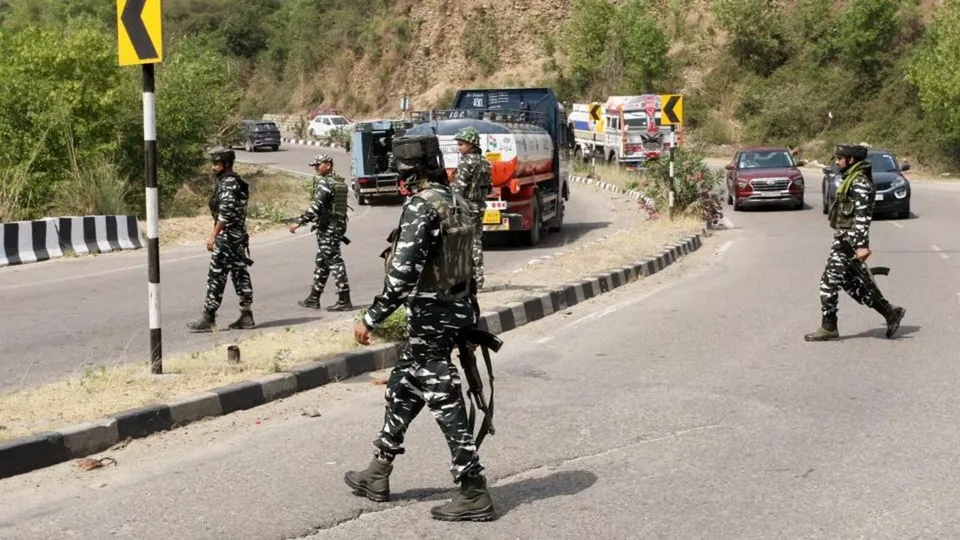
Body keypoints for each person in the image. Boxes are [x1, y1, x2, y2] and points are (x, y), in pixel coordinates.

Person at [345, 134, 496, 522]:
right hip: (457, 309)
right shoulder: (456, 201)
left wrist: (371, 318)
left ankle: (473, 487)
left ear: (408, 175)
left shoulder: (421, 207)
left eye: (400, 175)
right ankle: (378, 470)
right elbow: (468, 266)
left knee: (441, 395)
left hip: (431, 317)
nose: (400, 183)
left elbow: (402, 274)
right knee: (403, 387)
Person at [805, 144, 905, 342]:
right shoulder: (852, 179)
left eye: (840, 158)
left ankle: (829, 327)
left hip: (849, 243)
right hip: (844, 240)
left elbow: (862, 217)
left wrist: (861, 246)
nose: (837, 161)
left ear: (850, 160)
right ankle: (889, 312)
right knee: (850, 283)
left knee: (827, 283)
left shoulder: (859, 182)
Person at [187, 148, 255, 332]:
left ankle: (208, 318)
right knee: (240, 273)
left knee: (216, 275)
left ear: (226, 165)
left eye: (216, 164)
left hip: (227, 237)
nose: (212, 168)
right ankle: (246, 315)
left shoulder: (228, 183)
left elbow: (225, 213)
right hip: (238, 236)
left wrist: (213, 235)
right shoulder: (233, 181)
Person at [290, 154, 352, 312]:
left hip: (328, 228)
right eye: (315, 165)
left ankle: (344, 299)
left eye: (319, 165)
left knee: (334, 261)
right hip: (336, 226)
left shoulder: (325, 183)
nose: (316, 168)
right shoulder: (338, 182)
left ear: (329, 165)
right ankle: (314, 297)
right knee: (322, 262)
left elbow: (316, 207)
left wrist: (299, 221)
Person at [451, 126, 493, 288]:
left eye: (461, 144)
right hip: (479, 207)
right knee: (476, 241)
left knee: (462, 244)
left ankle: (465, 279)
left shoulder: (466, 163)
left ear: (471, 144)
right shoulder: (485, 162)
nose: (458, 147)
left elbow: (458, 191)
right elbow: (488, 187)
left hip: (466, 208)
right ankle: (478, 279)